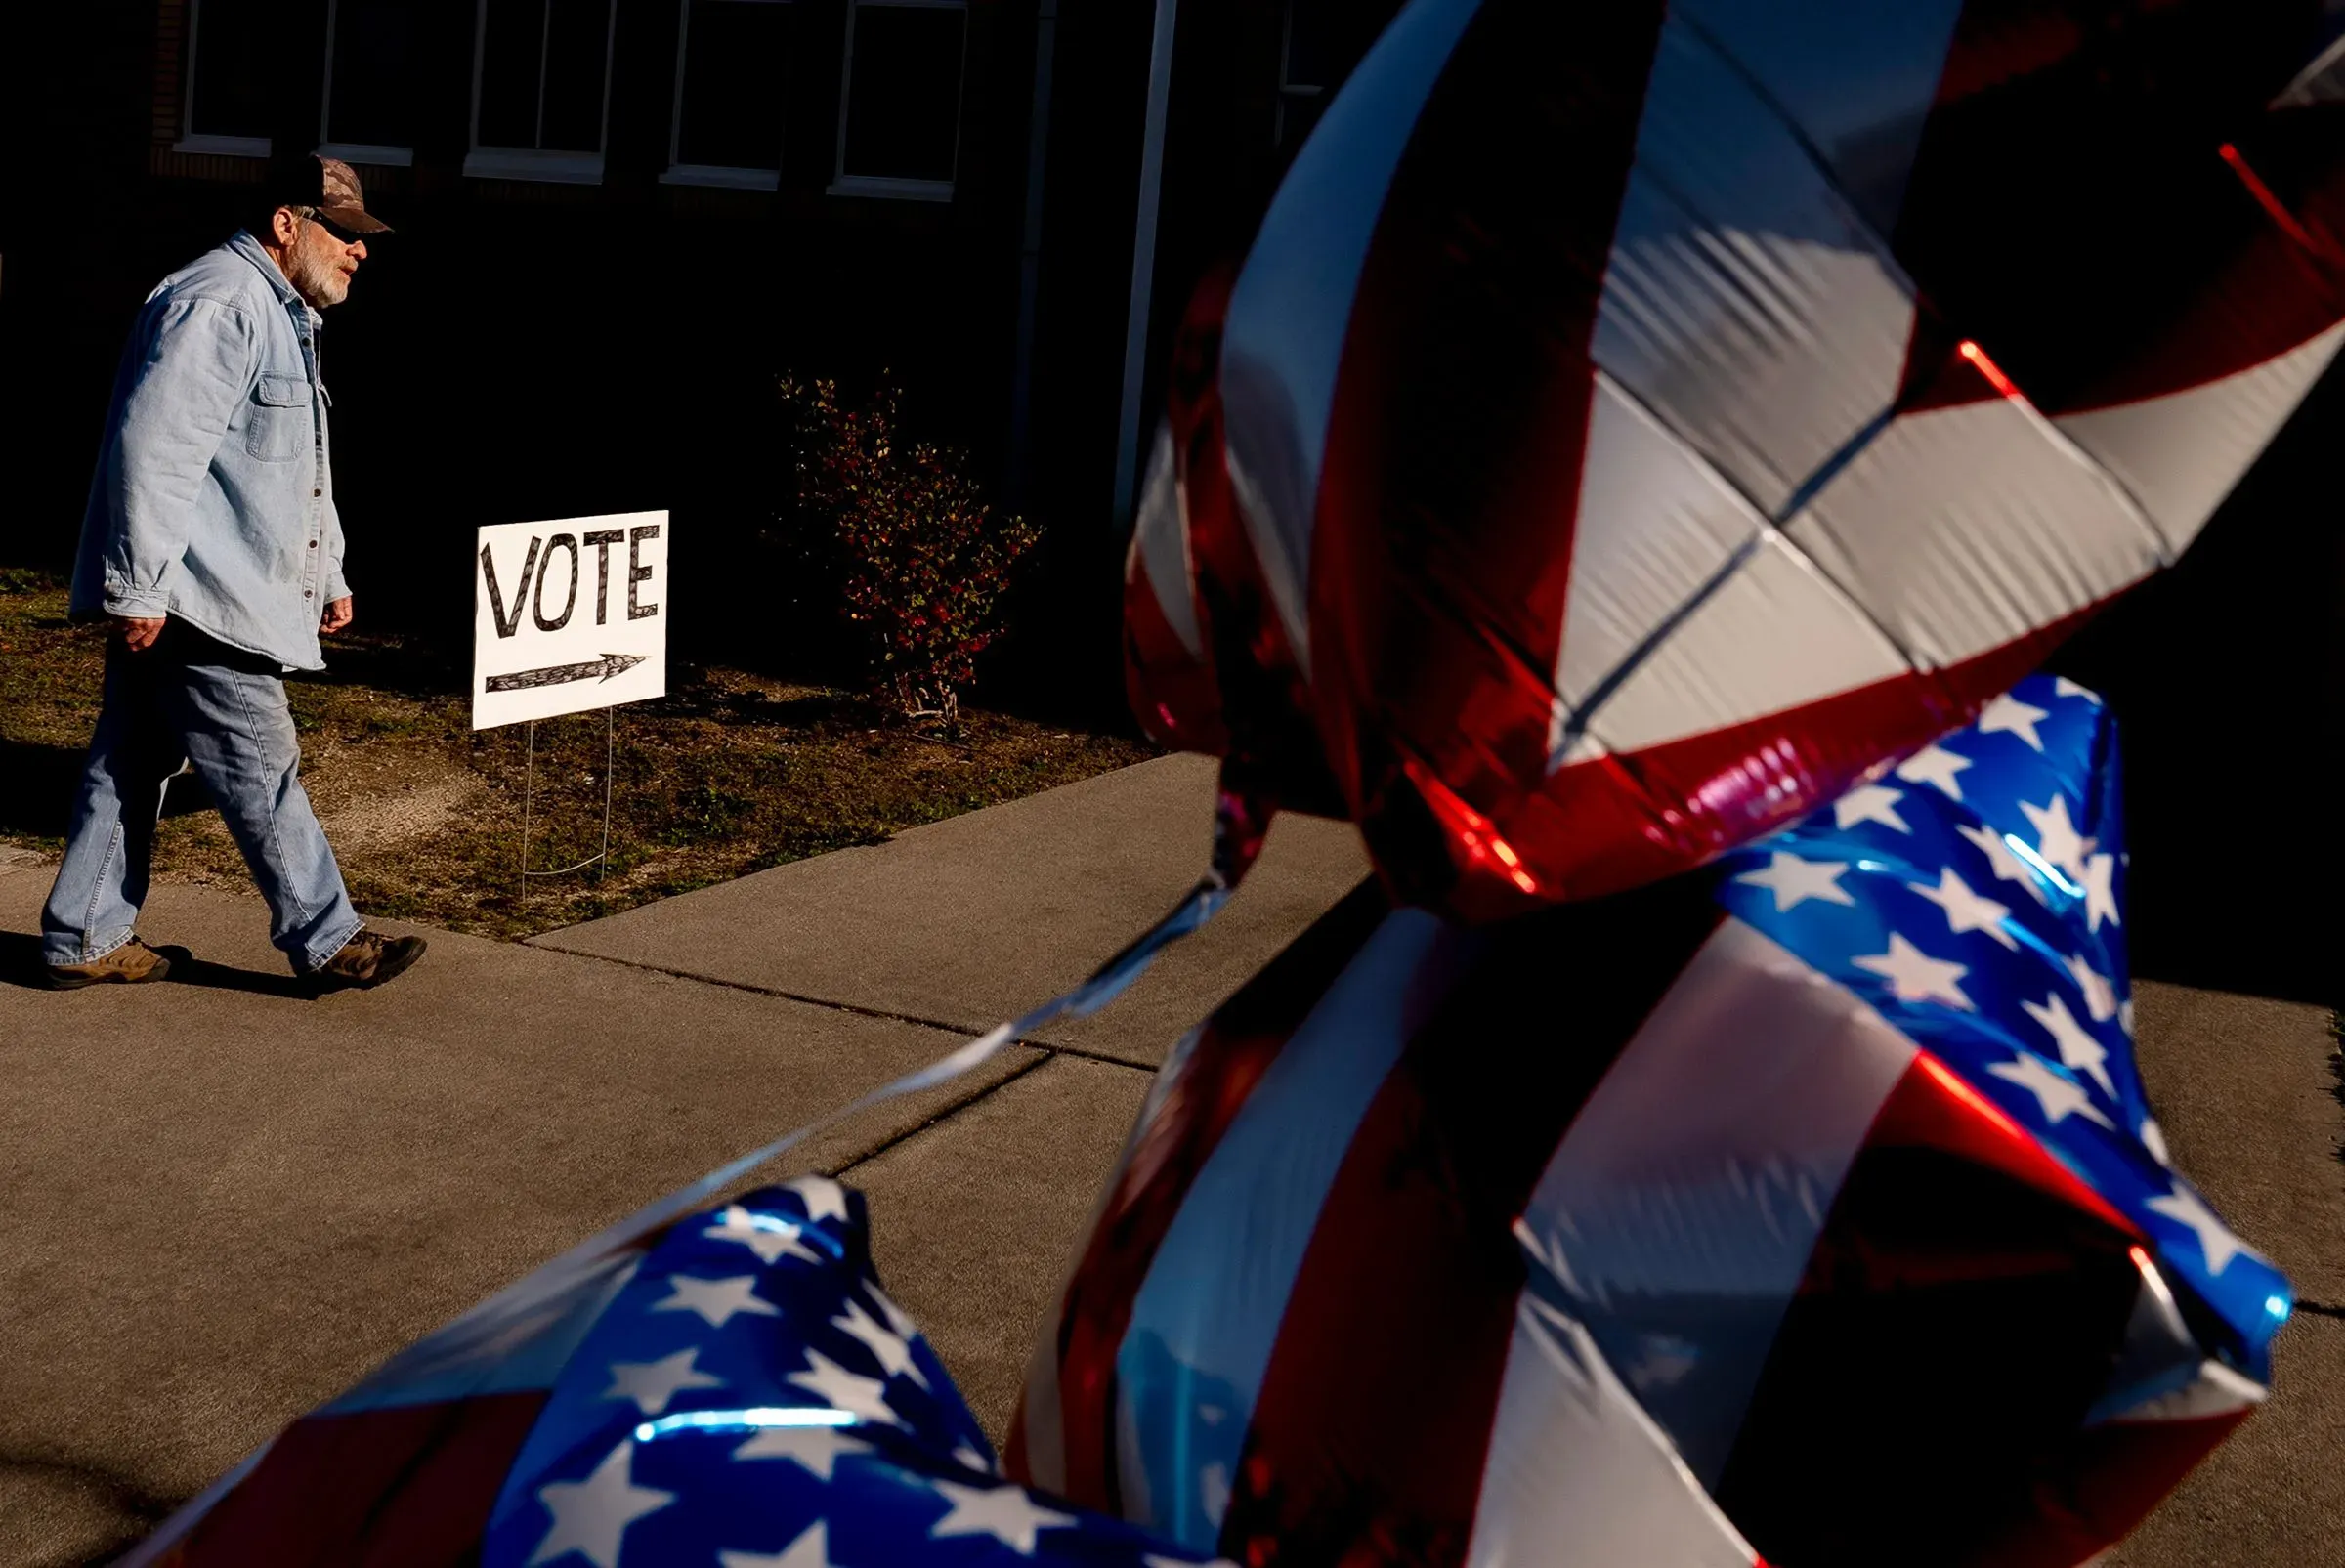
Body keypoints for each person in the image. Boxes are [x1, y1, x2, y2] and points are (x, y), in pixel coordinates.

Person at [41, 155, 426, 992]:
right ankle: (329, 939)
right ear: (287, 224)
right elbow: (156, 453)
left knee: (129, 760)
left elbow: (293, 466)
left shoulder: (279, 310)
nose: (360, 252)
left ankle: (84, 932)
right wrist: (139, 588)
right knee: (262, 761)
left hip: (209, 586)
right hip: (200, 597)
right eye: (344, 234)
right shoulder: (219, 302)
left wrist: (330, 573)